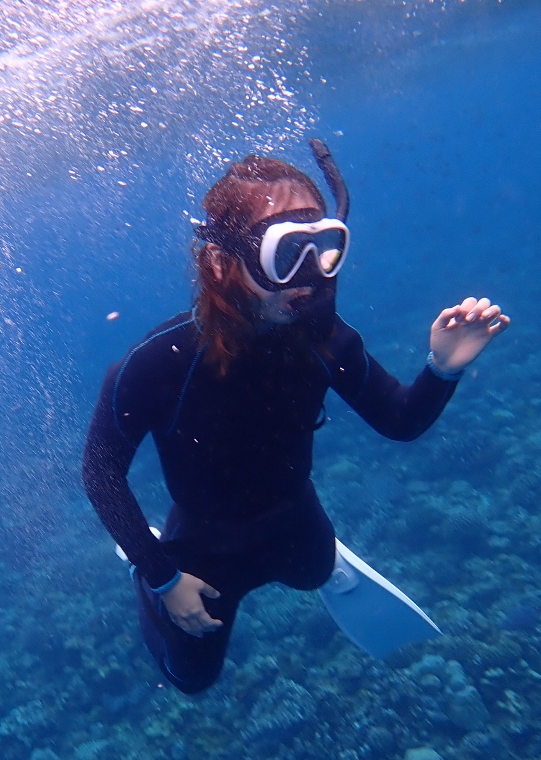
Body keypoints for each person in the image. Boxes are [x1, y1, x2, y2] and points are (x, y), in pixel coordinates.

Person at [82, 142, 509, 695]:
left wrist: (443, 368)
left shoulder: (325, 339)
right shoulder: (158, 363)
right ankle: (140, 566)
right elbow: (99, 472)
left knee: (311, 571)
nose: (308, 274)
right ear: (220, 261)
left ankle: (309, 559)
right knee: (189, 678)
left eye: (322, 248)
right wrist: (160, 575)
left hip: (291, 511)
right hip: (203, 543)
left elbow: (400, 421)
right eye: (285, 252)